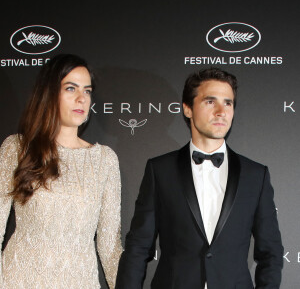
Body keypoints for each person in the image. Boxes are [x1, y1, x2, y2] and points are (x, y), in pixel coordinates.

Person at [116, 67, 283, 289]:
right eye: (210, 101)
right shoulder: (160, 170)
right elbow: (138, 247)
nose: (221, 111)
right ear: (187, 109)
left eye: (228, 102)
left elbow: (270, 253)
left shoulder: (255, 175)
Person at [0, 54, 122, 289]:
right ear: (49, 93)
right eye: (70, 88)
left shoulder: (104, 160)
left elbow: (109, 247)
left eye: (87, 91)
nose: (81, 98)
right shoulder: (16, 148)